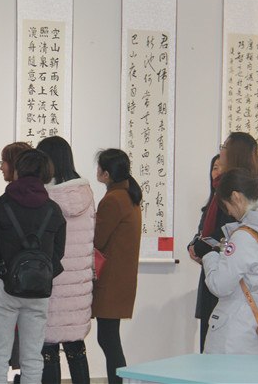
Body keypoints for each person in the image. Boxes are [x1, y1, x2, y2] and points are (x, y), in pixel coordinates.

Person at [0, 149, 66, 384]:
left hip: (2, 287)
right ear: (46, 174)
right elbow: (58, 253)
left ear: (17, 170)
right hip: (39, 290)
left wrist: (1, 269)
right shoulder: (53, 210)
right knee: (33, 357)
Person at [193, 168, 258, 355]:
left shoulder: (245, 237)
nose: (230, 213)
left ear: (236, 197)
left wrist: (210, 256)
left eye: (227, 206)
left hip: (235, 335)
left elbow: (219, 285)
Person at [188, 132, 258, 352]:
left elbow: (226, 234)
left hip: (228, 276)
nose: (221, 151)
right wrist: (198, 246)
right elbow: (207, 229)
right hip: (219, 270)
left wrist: (205, 250)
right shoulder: (226, 188)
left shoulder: (239, 188)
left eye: (224, 146)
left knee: (219, 349)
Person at [36, 136, 95, 384]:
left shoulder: (44, 196)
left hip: (51, 280)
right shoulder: (86, 194)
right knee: (76, 347)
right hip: (79, 284)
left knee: (48, 349)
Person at [92, 148, 142, 384]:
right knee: (109, 338)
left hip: (110, 281)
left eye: (100, 167)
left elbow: (97, 240)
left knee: (108, 339)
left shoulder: (113, 200)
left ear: (107, 174)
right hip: (120, 279)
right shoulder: (128, 195)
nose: (97, 171)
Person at [0, 141, 33, 382]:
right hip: (37, 283)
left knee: (1, 351)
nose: (1, 167)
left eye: (3, 161)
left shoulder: (5, 202)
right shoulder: (45, 202)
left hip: (8, 283)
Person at [186, 154, 228, 353]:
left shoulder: (228, 206)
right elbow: (202, 233)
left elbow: (221, 237)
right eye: (214, 168)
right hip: (208, 273)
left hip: (222, 273)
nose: (216, 172)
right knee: (206, 333)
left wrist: (202, 248)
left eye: (221, 167)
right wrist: (193, 245)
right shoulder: (210, 205)